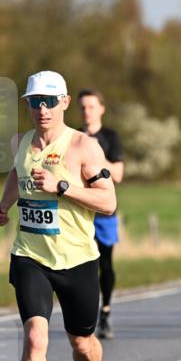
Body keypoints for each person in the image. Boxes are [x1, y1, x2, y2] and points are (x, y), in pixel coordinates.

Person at [0, 71, 117, 361]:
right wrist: (4, 206)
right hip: (30, 255)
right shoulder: (20, 143)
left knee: (82, 343)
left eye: (49, 100)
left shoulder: (84, 146)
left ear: (64, 102)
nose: (41, 109)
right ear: (26, 104)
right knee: (34, 341)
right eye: (34, 101)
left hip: (77, 260)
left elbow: (108, 202)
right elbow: (17, 172)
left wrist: (61, 187)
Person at [77, 89, 125, 339]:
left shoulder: (110, 137)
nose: (87, 112)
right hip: (76, 211)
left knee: (105, 263)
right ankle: (85, 316)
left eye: (91, 107)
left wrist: (94, 154)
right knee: (82, 264)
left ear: (101, 109)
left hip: (104, 211)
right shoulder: (71, 137)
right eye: (83, 107)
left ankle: (105, 311)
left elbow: (118, 174)